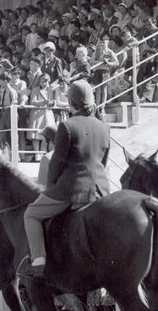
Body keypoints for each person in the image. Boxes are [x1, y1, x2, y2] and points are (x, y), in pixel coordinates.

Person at [22, 79, 111, 277]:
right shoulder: (104, 127)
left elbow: (56, 164)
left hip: (71, 190)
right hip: (100, 190)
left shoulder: (66, 126)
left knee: (31, 214)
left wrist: (51, 188)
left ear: (71, 101)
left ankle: (38, 260)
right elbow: (103, 163)